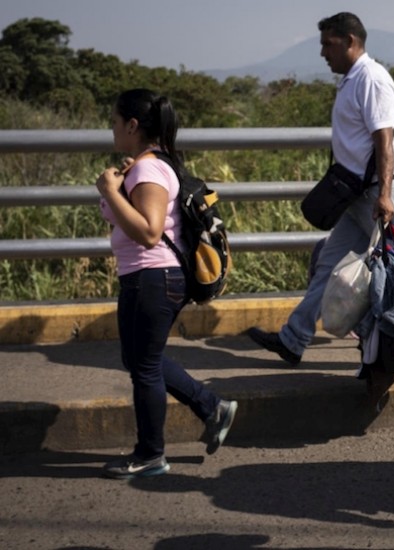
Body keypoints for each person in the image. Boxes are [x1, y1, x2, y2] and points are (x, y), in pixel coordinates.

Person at [246, 12, 394, 389]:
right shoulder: (351, 80)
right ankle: (293, 340)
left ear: (350, 41)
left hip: (380, 192)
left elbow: (384, 140)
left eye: (328, 44)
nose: (323, 53)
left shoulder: (372, 79)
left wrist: (386, 194)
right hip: (360, 195)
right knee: (328, 265)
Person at [96, 88, 237, 479]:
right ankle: (211, 407)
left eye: (114, 122)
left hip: (151, 277)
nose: (111, 129)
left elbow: (149, 232)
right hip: (149, 277)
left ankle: (150, 454)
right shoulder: (149, 165)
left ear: (132, 125)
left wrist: (109, 190)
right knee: (141, 359)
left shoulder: (148, 169)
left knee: (143, 366)